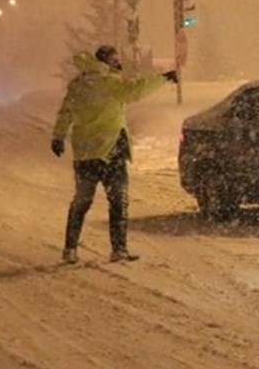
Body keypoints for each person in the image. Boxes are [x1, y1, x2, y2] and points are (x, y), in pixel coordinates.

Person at [51, 45, 178, 264]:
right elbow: (136, 90)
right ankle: (118, 249)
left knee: (81, 201)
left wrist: (59, 136)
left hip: (85, 153)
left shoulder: (78, 85)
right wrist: (164, 78)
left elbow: (66, 112)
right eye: (115, 58)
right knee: (118, 201)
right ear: (106, 61)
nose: (119, 62)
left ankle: (70, 249)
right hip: (111, 149)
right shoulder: (108, 82)